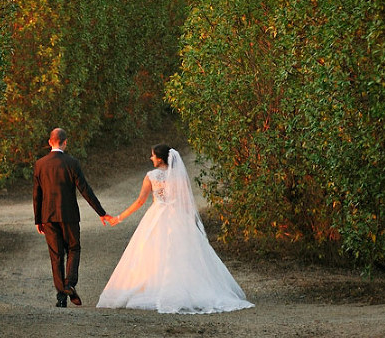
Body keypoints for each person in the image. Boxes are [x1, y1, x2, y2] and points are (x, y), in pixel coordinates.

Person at [97, 143, 254, 315]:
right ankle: (186, 288)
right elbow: (186, 202)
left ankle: (154, 287)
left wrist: (118, 218)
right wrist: (191, 223)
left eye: (153, 155)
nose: (151, 158)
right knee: (182, 253)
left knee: (151, 251)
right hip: (177, 216)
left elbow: (140, 201)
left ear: (160, 159)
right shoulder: (179, 177)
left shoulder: (151, 176)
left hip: (157, 217)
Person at [33, 127, 112, 308]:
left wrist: (38, 219)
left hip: (48, 216)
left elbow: (37, 194)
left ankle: (61, 297)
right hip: (69, 215)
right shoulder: (72, 163)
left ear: (49, 142)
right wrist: (101, 212)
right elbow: (85, 189)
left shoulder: (40, 164)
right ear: (65, 142)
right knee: (73, 248)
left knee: (56, 255)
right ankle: (69, 284)